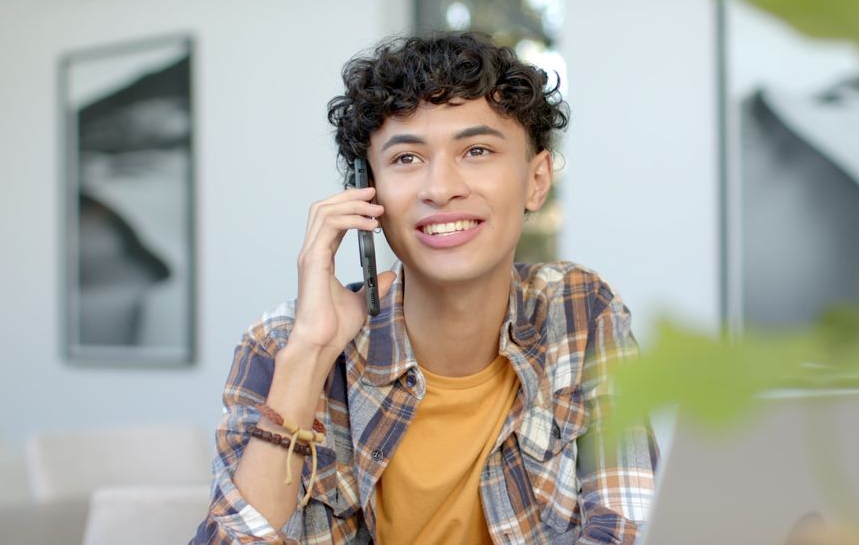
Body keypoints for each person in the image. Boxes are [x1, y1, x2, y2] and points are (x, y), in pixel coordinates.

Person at [192, 31, 658, 544]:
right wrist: (308, 356)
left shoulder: (582, 313)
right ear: (366, 193)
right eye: (406, 159)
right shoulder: (282, 343)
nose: (441, 189)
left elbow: (625, 528)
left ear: (536, 180)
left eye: (477, 150)